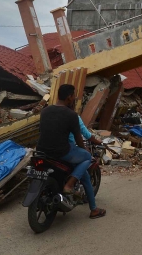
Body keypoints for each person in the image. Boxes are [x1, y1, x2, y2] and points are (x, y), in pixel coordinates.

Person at [36, 84, 106, 219]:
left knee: (84, 175)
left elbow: (42, 132)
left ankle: (94, 209)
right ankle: (69, 184)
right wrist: (85, 150)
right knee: (87, 157)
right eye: (74, 96)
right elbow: (79, 138)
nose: (74, 98)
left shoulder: (45, 111)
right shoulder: (72, 115)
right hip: (61, 152)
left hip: (42, 150)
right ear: (69, 97)